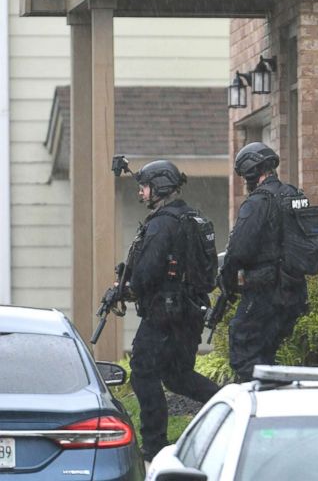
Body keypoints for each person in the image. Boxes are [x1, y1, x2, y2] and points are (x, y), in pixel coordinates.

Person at [127, 160, 219, 461]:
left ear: (160, 187)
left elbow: (146, 274)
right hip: (189, 314)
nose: (141, 193)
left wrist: (129, 287)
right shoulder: (192, 217)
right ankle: (227, 407)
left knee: (142, 373)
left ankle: (154, 445)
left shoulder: (162, 223)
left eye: (145, 187)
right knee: (178, 376)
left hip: (163, 316)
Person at [223, 142, 308, 380]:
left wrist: (227, 281)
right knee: (265, 355)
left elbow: (238, 249)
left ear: (251, 171)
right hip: (293, 290)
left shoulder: (258, 202)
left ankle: (261, 407)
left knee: (244, 352)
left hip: (264, 291)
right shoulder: (293, 196)